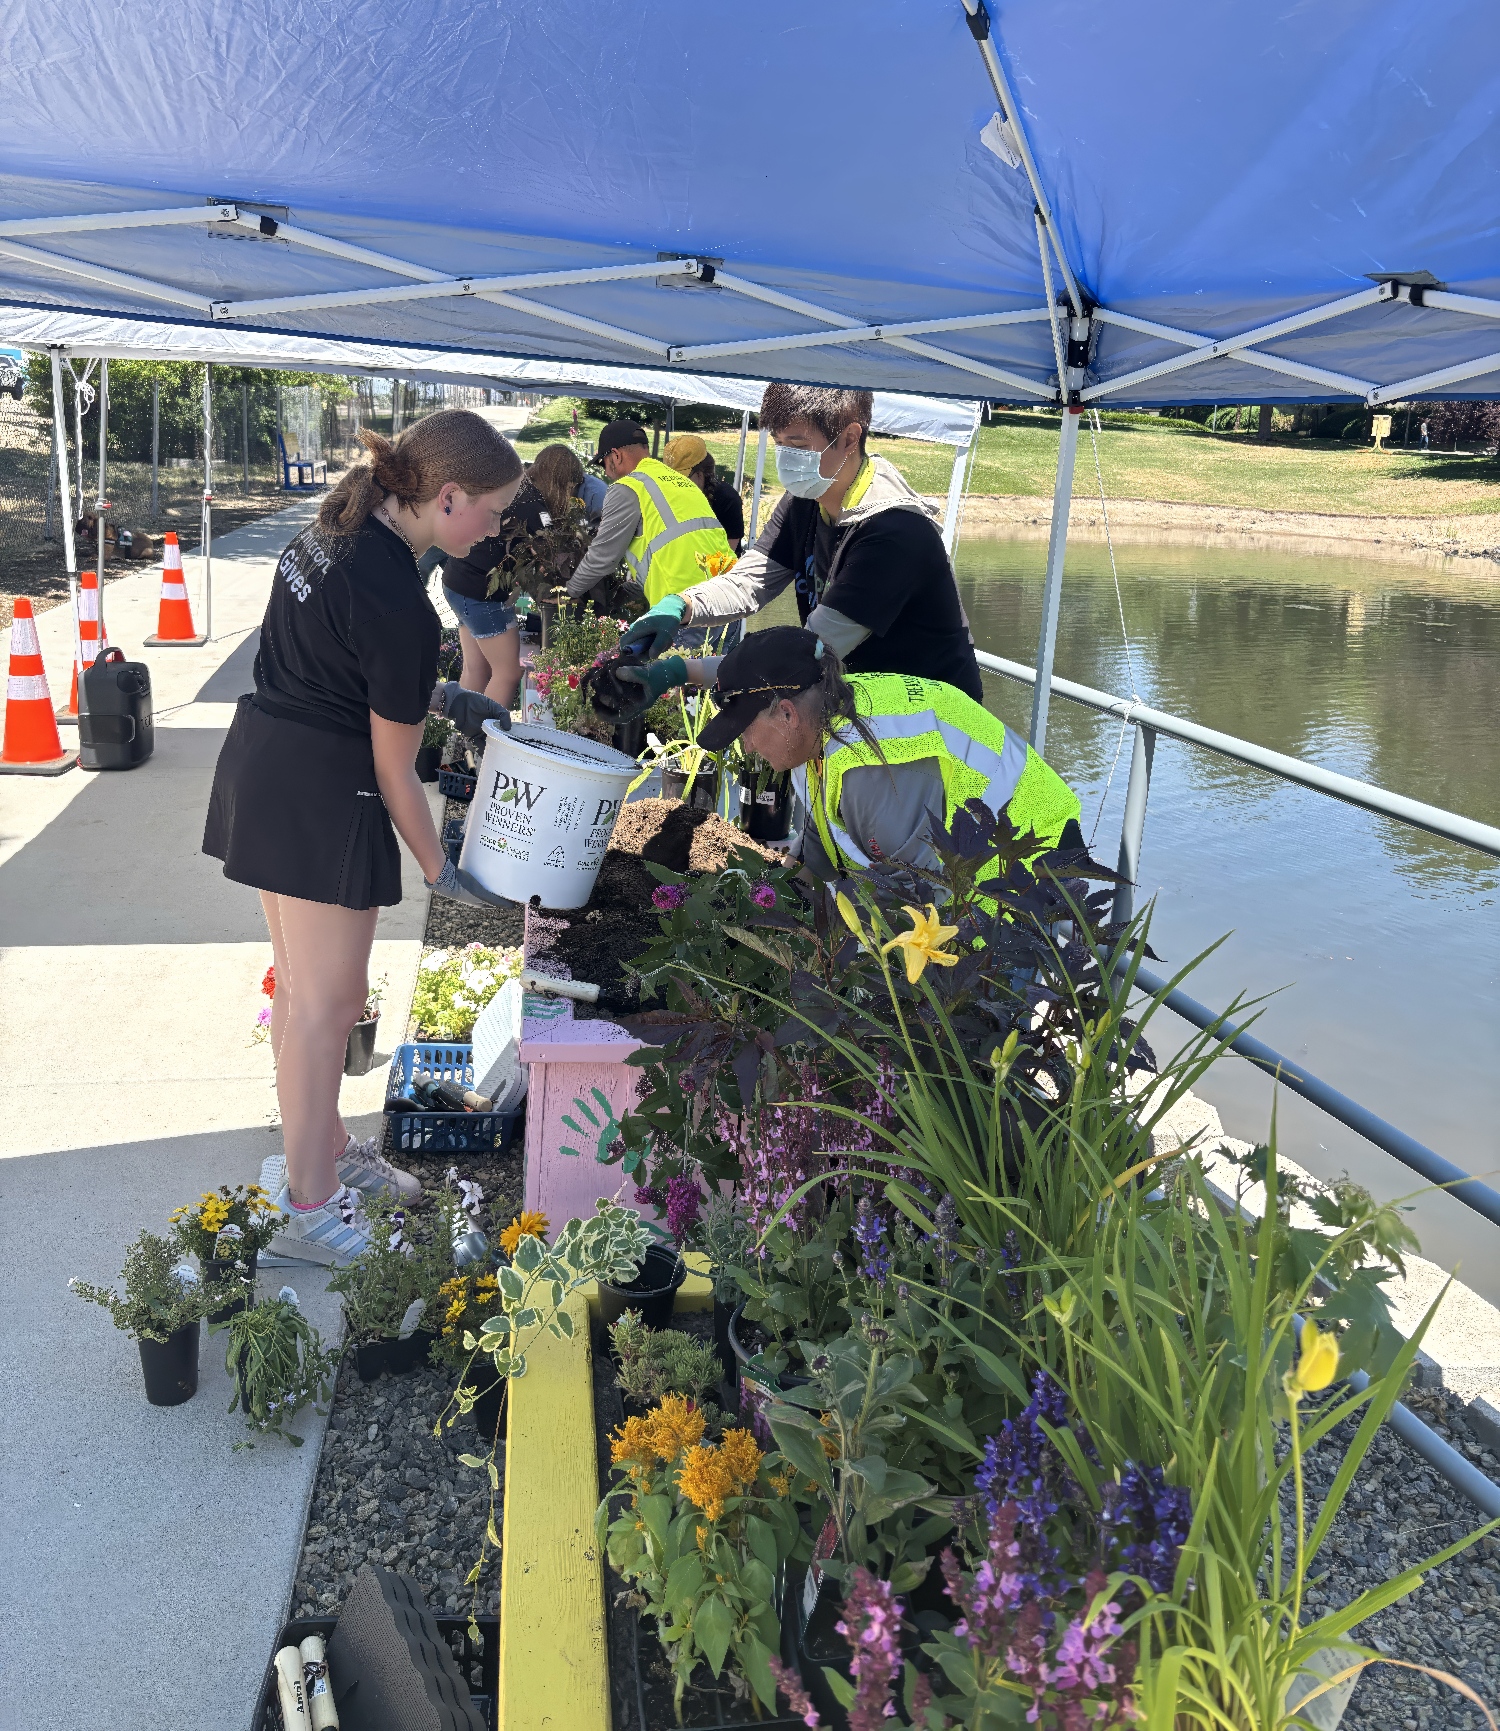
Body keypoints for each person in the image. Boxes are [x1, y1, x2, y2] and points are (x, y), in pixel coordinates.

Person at [202, 411, 521, 1266]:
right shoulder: (397, 603)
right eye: (490, 511)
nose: (495, 529)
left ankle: (327, 1144)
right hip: (319, 795)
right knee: (328, 1007)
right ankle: (308, 1205)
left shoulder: (337, 529)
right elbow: (394, 770)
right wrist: (440, 866)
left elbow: (342, 661)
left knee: (303, 992)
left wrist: (439, 694)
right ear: (446, 495)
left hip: (267, 765)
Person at [619, 384, 983, 702]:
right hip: (867, 700)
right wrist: (681, 605)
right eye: (779, 444)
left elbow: (807, 653)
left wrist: (684, 671)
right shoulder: (804, 503)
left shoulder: (895, 533)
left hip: (934, 717)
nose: (786, 458)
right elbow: (749, 582)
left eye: (798, 444)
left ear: (850, 438)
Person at [682, 626, 1082, 890]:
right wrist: (777, 894)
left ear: (786, 713)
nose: (747, 746)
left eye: (746, 729)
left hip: (1026, 868)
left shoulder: (871, 767)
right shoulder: (820, 720)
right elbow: (825, 853)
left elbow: (913, 897)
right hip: (974, 861)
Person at [438, 442, 592, 706]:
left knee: (477, 669)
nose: (571, 493)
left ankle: (463, 737)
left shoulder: (518, 489)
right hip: (481, 594)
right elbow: (543, 561)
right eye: (570, 486)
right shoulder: (534, 507)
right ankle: (486, 739)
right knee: (507, 673)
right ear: (561, 481)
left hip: (457, 582)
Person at [564, 420, 737, 622]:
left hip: (684, 607)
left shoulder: (628, 487)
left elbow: (603, 557)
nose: (606, 474)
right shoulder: (678, 480)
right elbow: (673, 547)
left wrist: (568, 592)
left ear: (616, 456)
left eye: (604, 464)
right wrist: (626, 591)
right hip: (726, 599)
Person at [663, 432, 745, 552]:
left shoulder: (727, 499)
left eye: (681, 480)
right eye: (669, 479)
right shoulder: (667, 495)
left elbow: (727, 553)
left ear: (700, 475)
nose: (674, 486)